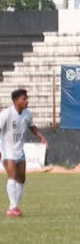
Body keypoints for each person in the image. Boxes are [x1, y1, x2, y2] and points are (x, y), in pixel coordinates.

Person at [1, 88, 47, 218]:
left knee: (21, 179)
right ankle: (12, 207)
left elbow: (31, 126)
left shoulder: (27, 114)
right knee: (12, 176)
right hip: (6, 150)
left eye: (27, 98)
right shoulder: (6, 114)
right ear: (16, 101)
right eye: (24, 99)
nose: (27, 101)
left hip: (19, 150)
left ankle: (15, 206)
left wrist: (40, 136)